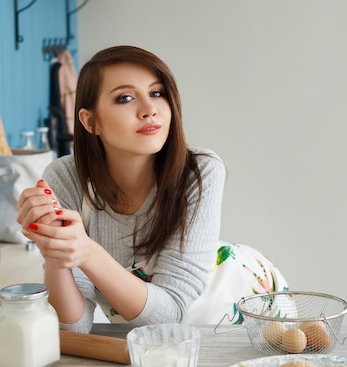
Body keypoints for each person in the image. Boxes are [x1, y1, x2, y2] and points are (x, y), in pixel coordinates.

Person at [16, 45, 226, 333]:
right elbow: (73, 329)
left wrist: (86, 252)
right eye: (125, 98)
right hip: (155, 344)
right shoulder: (67, 178)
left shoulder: (199, 171)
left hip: (230, 315)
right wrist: (56, 252)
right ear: (91, 122)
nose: (149, 109)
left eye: (156, 93)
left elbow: (169, 314)